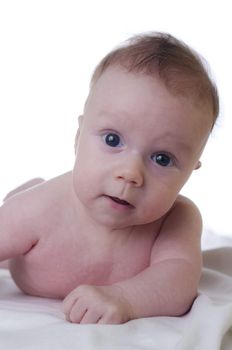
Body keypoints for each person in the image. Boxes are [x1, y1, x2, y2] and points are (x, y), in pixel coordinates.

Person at [0, 32, 219, 324]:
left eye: (162, 159)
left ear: (190, 171)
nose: (130, 174)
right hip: (26, 222)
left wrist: (125, 298)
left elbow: (179, 283)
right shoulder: (41, 208)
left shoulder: (177, 219)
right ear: (79, 137)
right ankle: (25, 188)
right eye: (113, 140)